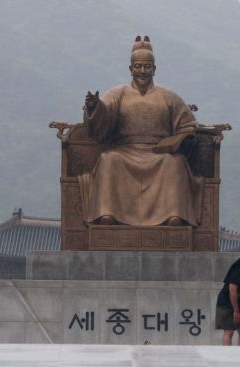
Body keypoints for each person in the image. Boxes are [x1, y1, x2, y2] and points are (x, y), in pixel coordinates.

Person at [80, 35, 202, 226]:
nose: (142, 71)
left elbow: (188, 124)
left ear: (154, 69)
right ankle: (107, 214)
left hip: (158, 153)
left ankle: (174, 216)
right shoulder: (117, 93)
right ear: (130, 69)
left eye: (147, 67)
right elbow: (102, 120)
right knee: (108, 159)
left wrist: (182, 137)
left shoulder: (169, 97)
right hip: (125, 151)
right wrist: (94, 107)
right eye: (138, 66)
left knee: (175, 163)